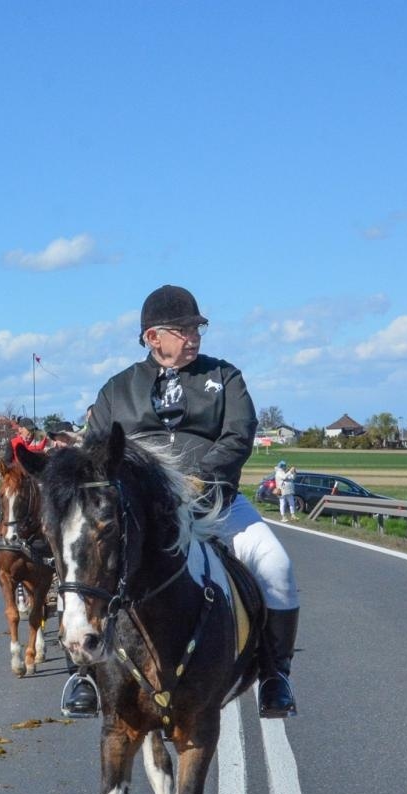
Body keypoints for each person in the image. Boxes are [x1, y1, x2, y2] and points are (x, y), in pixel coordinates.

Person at [64, 284, 302, 719]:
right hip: (141, 515)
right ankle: (82, 672)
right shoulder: (116, 390)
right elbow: (95, 452)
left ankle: (275, 675)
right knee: (85, 566)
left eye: (198, 328)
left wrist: (202, 481)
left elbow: (237, 435)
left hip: (214, 504)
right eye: (184, 329)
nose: (194, 336)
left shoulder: (226, 377)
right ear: (153, 337)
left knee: (276, 565)